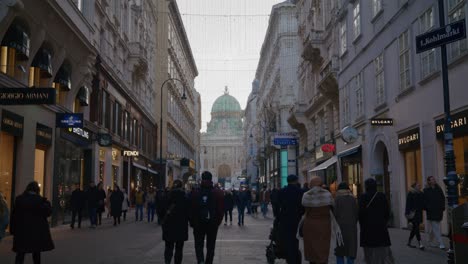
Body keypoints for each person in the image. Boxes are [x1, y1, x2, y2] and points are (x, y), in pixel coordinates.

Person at [10, 181, 54, 264]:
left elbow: (14, 215)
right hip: (36, 232)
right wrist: (46, 202)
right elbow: (48, 212)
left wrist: (13, 229)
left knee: (20, 253)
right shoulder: (40, 200)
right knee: (36, 253)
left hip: (22, 231)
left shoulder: (19, 199)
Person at [189, 171, 224, 264]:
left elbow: (190, 209)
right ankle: (209, 262)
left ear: (201, 179)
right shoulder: (217, 193)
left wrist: (192, 222)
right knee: (211, 245)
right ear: (211, 179)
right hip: (212, 224)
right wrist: (217, 222)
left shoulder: (194, 192)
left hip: (198, 223)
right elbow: (221, 210)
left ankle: (200, 260)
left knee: (198, 244)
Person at [359, 178, 394, 264]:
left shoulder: (363, 197)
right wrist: (383, 222)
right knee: (382, 249)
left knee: (369, 252)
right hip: (380, 227)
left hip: (367, 228)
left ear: (366, 186)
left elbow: (360, 213)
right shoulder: (381, 196)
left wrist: (362, 225)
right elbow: (387, 212)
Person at [302, 176, 335, 264]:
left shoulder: (306, 195)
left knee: (311, 247)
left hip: (310, 224)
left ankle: (312, 261)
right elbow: (333, 207)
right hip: (324, 224)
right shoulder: (327, 194)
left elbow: (304, 210)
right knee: (323, 246)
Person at [162, 180, 190, 264]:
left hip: (168, 226)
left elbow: (161, 210)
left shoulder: (167, 196)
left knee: (168, 247)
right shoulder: (185, 197)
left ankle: (167, 262)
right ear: (181, 186)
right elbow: (189, 212)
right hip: (181, 227)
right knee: (179, 248)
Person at [278, 175, 304, 264]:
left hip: (285, 219)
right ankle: (295, 258)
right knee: (295, 239)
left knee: (288, 240)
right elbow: (302, 207)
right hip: (297, 219)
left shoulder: (282, 191)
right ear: (296, 181)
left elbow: (278, 205)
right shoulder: (300, 192)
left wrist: (278, 218)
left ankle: (290, 259)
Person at [334, 182, 359, 264]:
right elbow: (356, 213)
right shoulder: (352, 199)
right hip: (351, 227)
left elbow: (335, 214)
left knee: (340, 249)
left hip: (340, 227)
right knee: (350, 249)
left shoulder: (337, 199)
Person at [423, 176, 446, 249]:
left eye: (434, 179)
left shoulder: (438, 189)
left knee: (434, 228)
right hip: (431, 211)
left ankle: (429, 241)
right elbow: (424, 201)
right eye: (432, 179)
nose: (434, 180)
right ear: (429, 181)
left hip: (438, 210)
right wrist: (427, 208)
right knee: (436, 228)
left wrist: (442, 207)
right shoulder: (426, 190)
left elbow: (442, 198)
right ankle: (441, 243)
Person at [406, 182, 425, 250]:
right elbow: (408, 204)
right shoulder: (411, 193)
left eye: (420, 185)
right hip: (413, 213)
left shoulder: (421, 193)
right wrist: (407, 214)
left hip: (419, 213)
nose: (419, 186)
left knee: (414, 228)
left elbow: (423, 203)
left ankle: (409, 242)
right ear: (414, 186)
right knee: (416, 227)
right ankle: (420, 243)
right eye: (418, 185)